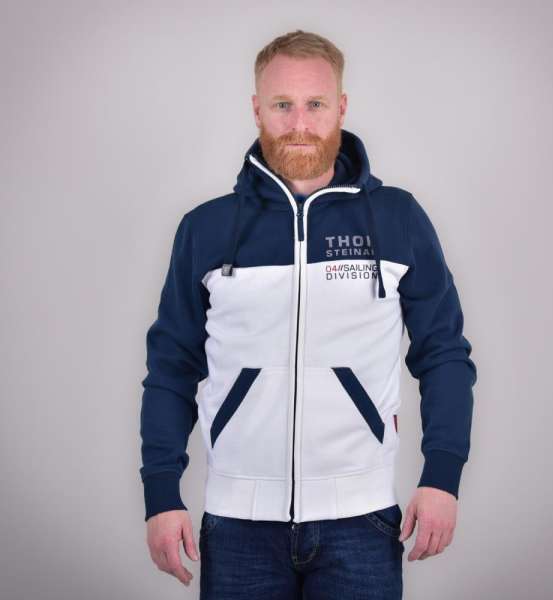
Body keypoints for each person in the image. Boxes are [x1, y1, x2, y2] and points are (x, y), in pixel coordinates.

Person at [139, 29, 477, 599]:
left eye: (315, 104)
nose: (299, 123)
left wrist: (442, 476)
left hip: (362, 521)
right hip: (237, 524)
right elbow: (172, 368)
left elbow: (444, 353)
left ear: (341, 107)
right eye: (282, 105)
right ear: (257, 110)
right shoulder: (206, 228)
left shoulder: (396, 219)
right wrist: (161, 493)